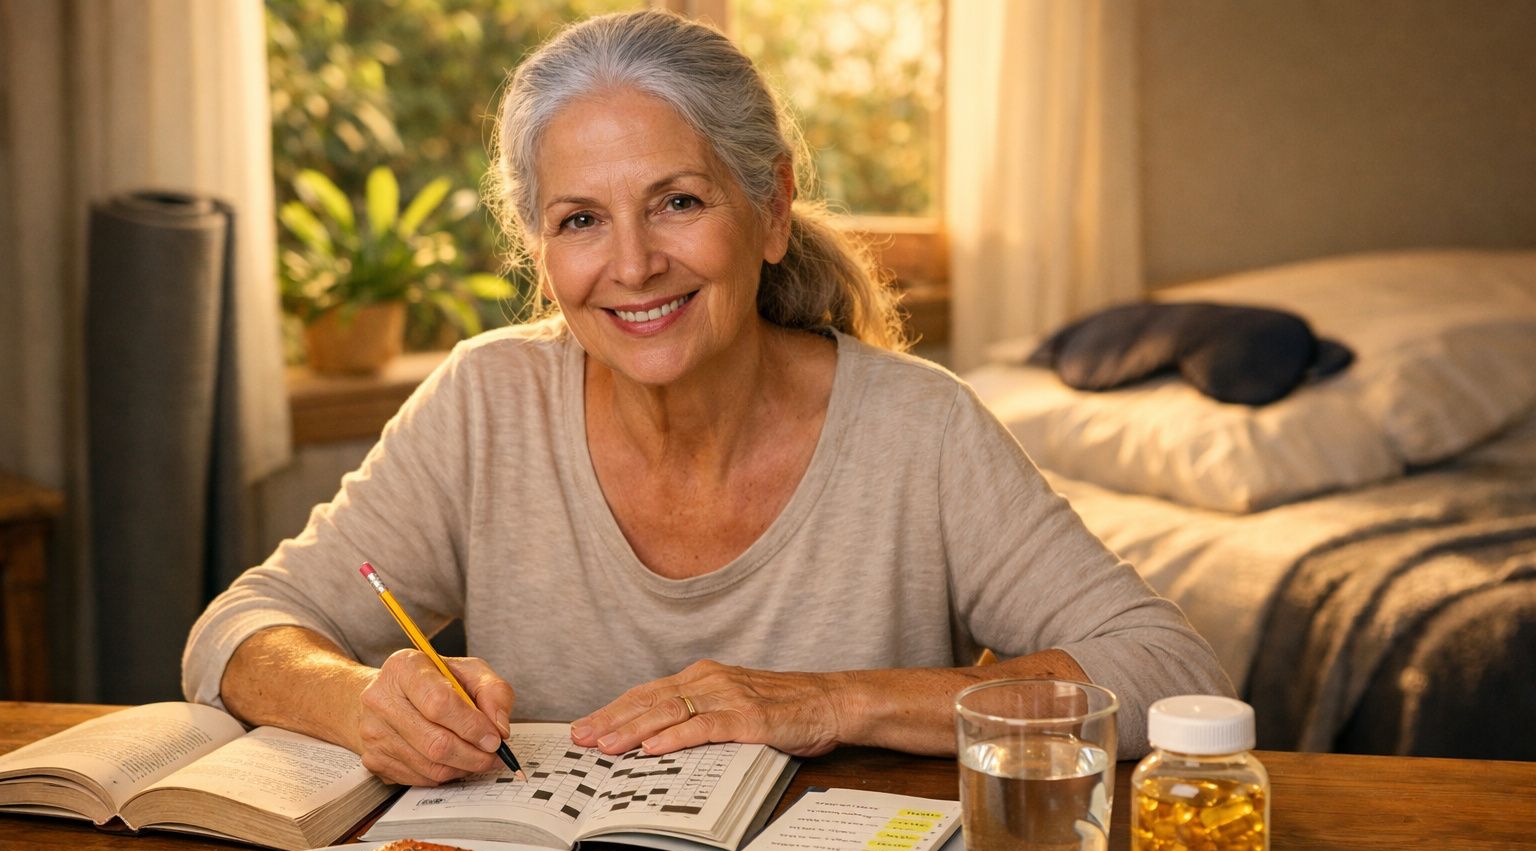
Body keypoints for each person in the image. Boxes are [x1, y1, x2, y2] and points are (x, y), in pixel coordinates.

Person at [183, 9, 1232, 787]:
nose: (632, 265)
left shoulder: (922, 427)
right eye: (581, 220)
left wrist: (825, 699)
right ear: (540, 249)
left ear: (769, 210)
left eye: (677, 202)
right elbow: (240, 630)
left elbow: (1170, 672)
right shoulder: (483, 402)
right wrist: (364, 700)